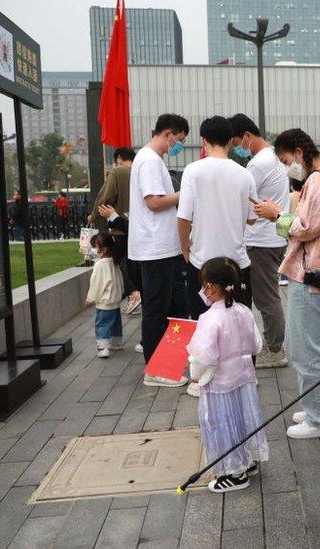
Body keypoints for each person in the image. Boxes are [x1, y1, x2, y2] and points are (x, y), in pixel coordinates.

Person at [253, 128, 320, 440]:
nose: (287, 167)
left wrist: (275, 214)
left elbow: (307, 227)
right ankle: (316, 407)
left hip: (312, 276)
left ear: (298, 152)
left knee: (306, 351)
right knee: (305, 348)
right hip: (314, 273)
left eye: (286, 160)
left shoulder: (317, 180)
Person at [188, 257, 268, 493]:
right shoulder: (243, 311)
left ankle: (235, 472)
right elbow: (256, 345)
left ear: (210, 287)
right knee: (242, 418)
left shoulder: (210, 318)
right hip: (243, 378)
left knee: (223, 423)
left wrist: (194, 374)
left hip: (220, 382)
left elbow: (203, 357)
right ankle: (247, 459)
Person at [178, 115, 257, 328]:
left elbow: (184, 217)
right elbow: (251, 219)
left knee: (202, 325)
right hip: (237, 263)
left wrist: (185, 248)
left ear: (204, 140)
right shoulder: (245, 175)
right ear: (231, 140)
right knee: (239, 326)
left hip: (201, 261)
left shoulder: (192, 171)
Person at [129, 113, 190, 386]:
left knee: (176, 307)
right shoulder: (150, 160)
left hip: (164, 247)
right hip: (155, 248)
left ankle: (170, 364)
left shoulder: (151, 160)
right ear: (168, 134)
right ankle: (156, 369)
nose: (178, 146)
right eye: (179, 140)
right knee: (157, 308)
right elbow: (153, 202)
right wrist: (186, 193)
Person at [228, 114, 290, 368]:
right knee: (269, 296)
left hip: (261, 241)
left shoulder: (257, 164)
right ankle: (272, 346)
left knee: (266, 298)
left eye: (237, 142)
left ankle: (275, 350)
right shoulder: (273, 156)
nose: (237, 148)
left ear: (247, 136)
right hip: (272, 237)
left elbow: (243, 200)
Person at [91, 147, 141, 314]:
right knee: (134, 264)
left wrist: (94, 216)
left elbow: (106, 197)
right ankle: (137, 293)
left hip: (119, 227)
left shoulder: (118, 171)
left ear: (119, 158)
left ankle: (134, 294)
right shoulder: (139, 170)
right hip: (138, 227)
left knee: (117, 264)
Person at [85, 233, 123, 359]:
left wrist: (91, 298)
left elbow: (96, 283)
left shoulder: (100, 265)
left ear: (104, 249)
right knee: (115, 323)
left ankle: (103, 347)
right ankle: (116, 342)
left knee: (102, 323)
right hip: (115, 299)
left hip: (105, 301)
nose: (95, 249)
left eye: (96, 246)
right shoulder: (114, 261)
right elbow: (119, 280)